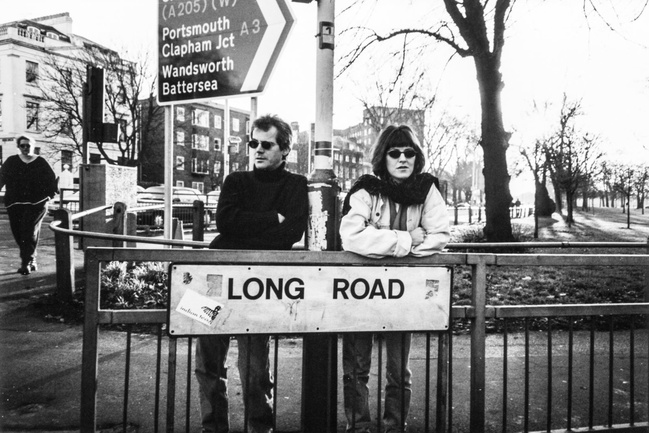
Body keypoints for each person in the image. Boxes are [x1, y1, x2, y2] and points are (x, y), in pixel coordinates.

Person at [195, 114, 309, 433]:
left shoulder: (296, 185)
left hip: (257, 285)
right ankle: (213, 428)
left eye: (266, 144)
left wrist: (247, 227)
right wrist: (272, 216)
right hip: (213, 279)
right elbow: (224, 223)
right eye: (253, 143)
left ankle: (260, 428)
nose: (257, 149)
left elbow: (288, 235)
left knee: (255, 366)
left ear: (285, 150)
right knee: (207, 363)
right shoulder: (235, 180)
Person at [339, 124, 450, 433]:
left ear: (417, 157)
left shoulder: (427, 190)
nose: (403, 158)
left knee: (399, 371)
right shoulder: (366, 189)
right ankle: (359, 427)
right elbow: (351, 237)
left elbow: (439, 235)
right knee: (356, 368)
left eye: (409, 152)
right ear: (382, 157)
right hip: (361, 289)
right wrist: (407, 240)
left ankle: (393, 426)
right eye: (395, 153)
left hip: (403, 292)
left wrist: (385, 246)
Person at [0, 135, 58, 275]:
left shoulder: (41, 162)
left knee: (28, 230)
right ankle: (31, 259)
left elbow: (52, 182)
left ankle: (26, 262)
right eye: (22, 145)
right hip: (15, 203)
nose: (25, 148)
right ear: (19, 147)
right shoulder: (11, 161)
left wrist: (49, 196)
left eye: (28, 145)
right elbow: (1, 178)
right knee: (18, 232)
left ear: (33, 146)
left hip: (36, 203)